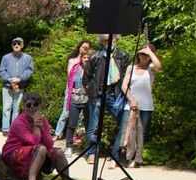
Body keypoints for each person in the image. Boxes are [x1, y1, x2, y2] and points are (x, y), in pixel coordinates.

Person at [2, 94, 80, 180]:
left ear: (40, 107)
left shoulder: (43, 121)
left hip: (33, 151)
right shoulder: (18, 122)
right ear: (23, 107)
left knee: (59, 152)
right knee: (41, 149)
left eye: (36, 104)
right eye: (28, 105)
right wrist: (35, 126)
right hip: (13, 153)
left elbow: (49, 143)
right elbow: (35, 142)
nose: (32, 107)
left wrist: (40, 126)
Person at [82, 34, 130, 164]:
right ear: (101, 42)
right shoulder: (95, 57)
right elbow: (86, 78)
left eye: (111, 39)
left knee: (123, 122)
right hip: (98, 94)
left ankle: (114, 153)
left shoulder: (123, 56)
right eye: (105, 40)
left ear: (116, 40)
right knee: (94, 125)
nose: (108, 42)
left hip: (115, 94)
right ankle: (91, 152)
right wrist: (92, 93)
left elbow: (126, 76)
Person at [113, 44, 162, 168]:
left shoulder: (151, 69)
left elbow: (159, 66)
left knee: (140, 133)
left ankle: (135, 159)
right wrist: (132, 99)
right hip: (130, 104)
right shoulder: (131, 68)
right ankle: (116, 158)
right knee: (124, 131)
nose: (143, 56)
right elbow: (124, 86)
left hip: (146, 106)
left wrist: (150, 52)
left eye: (146, 55)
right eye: (141, 53)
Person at [53, 39, 93, 148]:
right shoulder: (73, 61)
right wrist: (81, 57)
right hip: (72, 91)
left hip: (86, 96)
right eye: (83, 47)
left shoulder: (91, 64)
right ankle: (58, 134)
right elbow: (70, 73)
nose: (85, 49)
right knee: (66, 113)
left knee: (85, 120)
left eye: (87, 47)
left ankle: (81, 140)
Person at [0, 36, 35, 135]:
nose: (16, 45)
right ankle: (6, 129)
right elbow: (1, 71)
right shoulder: (5, 58)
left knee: (16, 108)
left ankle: (14, 128)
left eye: (18, 43)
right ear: (12, 45)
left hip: (20, 87)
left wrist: (20, 79)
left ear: (22, 45)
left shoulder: (28, 58)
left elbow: (30, 70)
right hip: (7, 87)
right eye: (14, 44)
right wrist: (10, 80)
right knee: (6, 108)